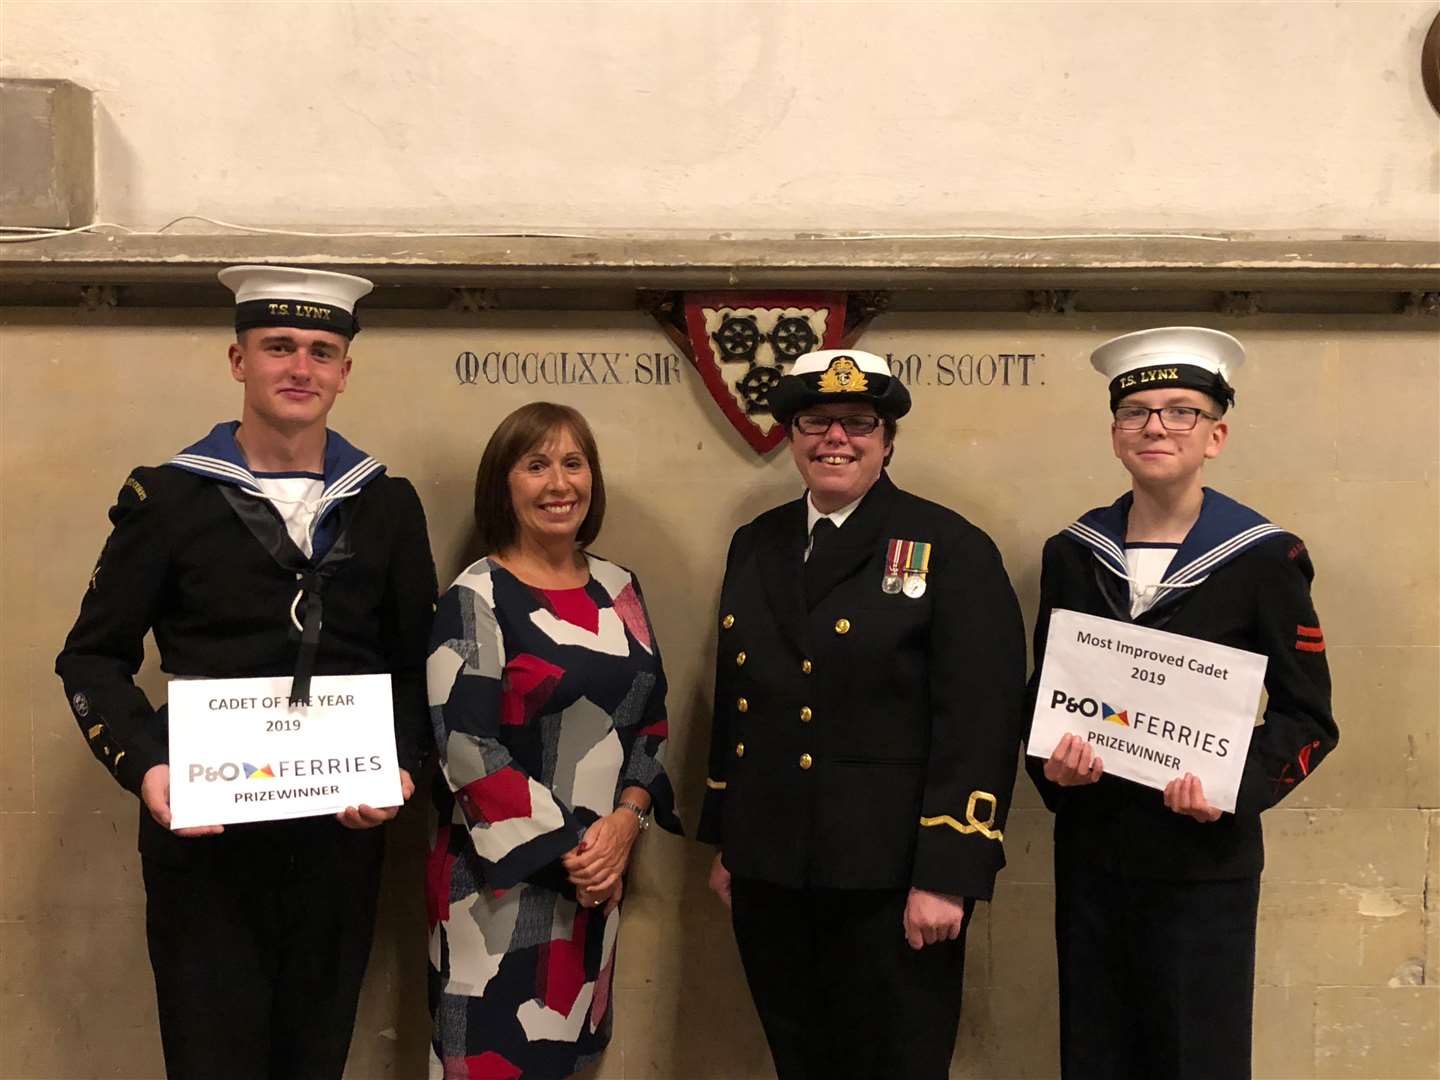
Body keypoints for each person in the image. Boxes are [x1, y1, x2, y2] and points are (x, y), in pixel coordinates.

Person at [55, 265, 438, 1079]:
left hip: (339, 841)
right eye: (278, 347)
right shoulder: (168, 500)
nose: (300, 368)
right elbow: (91, 656)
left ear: (344, 372)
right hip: (207, 847)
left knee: (315, 1057)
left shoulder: (386, 505)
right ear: (238, 361)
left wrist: (403, 766)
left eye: (321, 351)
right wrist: (145, 768)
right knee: (211, 1060)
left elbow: (415, 663)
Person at [697, 349, 1027, 1080]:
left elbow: (980, 722)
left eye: (857, 423)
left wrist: (949, 872)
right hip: (772, 872)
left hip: (892, 880)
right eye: (816, 421)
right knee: (800, 1063)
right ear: (791, 434)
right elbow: (742, 700)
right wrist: (730, 840)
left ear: (888, 440)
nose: (835, 439)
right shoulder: (758, 543)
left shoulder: (950, 547)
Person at [1027, 326, 1339, 1079]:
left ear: (1216, 435)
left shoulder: (1263, 556)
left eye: (1181, 411)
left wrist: (1233, 790)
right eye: (1136, 412)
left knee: (1196, 1055)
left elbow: (1308, 718)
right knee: (1096, 1051)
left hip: (1205, 860)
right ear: (1114, 435)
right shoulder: (1073, 552)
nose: (1156, 426)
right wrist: (1051, 771)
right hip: (1096, 854)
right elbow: (1045, 694)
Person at [426, 402, 682, 1079]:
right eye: (536, 465)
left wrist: (626, 824)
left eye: (574, 463)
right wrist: (577, 854)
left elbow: (649, 722)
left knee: (575, 1061)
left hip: (601, 884)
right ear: (502, 485)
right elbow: (466, 749)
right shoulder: (475, 596)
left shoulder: (620, 588)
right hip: (500, 891)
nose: (558, 483)